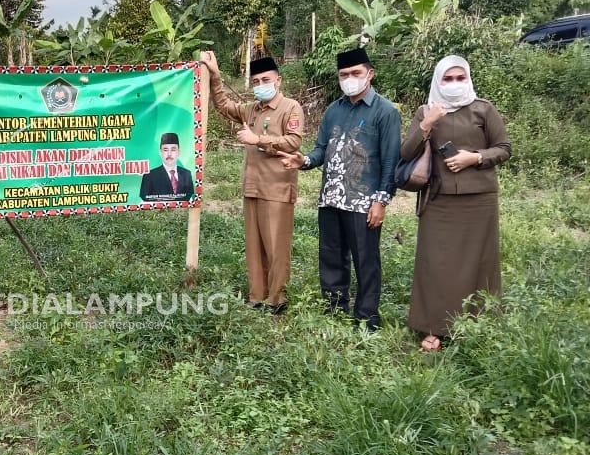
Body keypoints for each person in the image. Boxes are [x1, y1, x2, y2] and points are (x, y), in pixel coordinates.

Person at [279, 48, 401, 329]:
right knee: (331, 255)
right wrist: (305, 160)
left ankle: (367, 317)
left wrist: (381, 201)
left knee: (366, 260)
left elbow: (391, 159)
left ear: (369, 74)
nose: (350, 79)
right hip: (331, 197)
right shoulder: (334, 110)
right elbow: (323, 148)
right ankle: (334, 309)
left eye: (356, 73)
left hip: (363, 201)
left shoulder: (385, 112)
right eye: (344, 74)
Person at [400, 55, 511, 351]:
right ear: (437, 81)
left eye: (460, 78)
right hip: (439, 199)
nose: (454, 84)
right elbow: (406, 151)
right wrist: (427, 124)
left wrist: (474, 157)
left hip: (480, 199)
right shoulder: (427, 110)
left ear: (469, 78)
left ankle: (479, 322)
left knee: (480, 262)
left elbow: (503, 148)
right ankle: (434, 326)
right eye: (447, 79)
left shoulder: (483, 109)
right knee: (435, 263)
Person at [202, 51, 304, 313]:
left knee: (275, 246)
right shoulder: (251, 110)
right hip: (252, 185)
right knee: (254, 244)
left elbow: (293, 141)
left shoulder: (290, 107)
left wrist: (258, 140)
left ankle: (277, 299)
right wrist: (215, 75)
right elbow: (224, 106)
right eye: (256, 82)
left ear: (278, 81)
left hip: (277, 187)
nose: (260, 86)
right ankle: (257, 295)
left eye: (265, 80)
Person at [139, 132, 195, 200]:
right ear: (160, 152)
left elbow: (190, 195)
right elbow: (145, 197)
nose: (169, 154)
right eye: (165, 150)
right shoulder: (149, 176)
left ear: (179, 152)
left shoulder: (186, 174)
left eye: (173, 150)